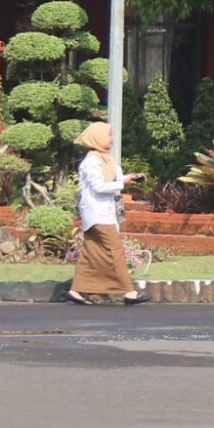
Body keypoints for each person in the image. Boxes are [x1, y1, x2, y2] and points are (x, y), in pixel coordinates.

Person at [70, 122, 143, 306]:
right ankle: (129, 291)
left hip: (106, 213)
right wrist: (122, 183)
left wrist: (130, 178)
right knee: (115, 249)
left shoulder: (108, 160)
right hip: (97, 214)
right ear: (98, 138)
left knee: (91, 251)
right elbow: (99, 186)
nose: (112, 140)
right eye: (109, 136)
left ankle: (76, 290)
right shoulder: (91, 161)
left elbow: (117, 178)